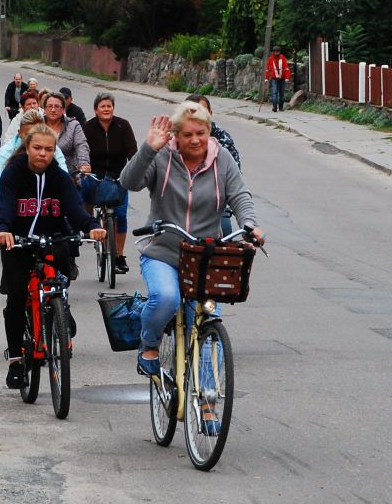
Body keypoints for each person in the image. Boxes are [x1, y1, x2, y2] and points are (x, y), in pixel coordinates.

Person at [121, 102, 263, 389]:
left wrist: (250, 225)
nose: (195, 140)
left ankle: (208, 398)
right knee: (165, 297)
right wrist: (148, 148)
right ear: (176, 135)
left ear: (209, 131)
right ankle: (149, 344)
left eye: (201, 133)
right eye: (187, 134)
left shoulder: (222, 159)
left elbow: (239, 195)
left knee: (208, 322)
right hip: (163, 251)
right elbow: (129, 182)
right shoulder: (162, 155)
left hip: (204, 256)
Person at [0, 127, 106, 388]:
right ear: (27, 148)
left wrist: (91, 226)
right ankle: (16, 361)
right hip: (17, 240)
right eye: (37, 148)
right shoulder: (13, 173)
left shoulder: (59, 176)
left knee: (61, 274)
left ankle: (60, 308)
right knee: (17, 296)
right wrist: (3, 229)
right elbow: (6, 205)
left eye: (48, 149)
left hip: (51, 238)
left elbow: (74, 207)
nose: (43, 154)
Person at [81, 92, 138, 273]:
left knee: (120, 215)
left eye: (109, 106)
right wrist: (84, 165)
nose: (106, 109)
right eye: (102, 106)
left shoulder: (123, 125)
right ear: (95, 110)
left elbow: (132, 151)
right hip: (95, 174)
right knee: (83, 187)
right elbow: (82, 149)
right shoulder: (88, 128)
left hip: (118, 176)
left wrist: (134, 167)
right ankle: (88, 221)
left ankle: (119, 256)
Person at [185, 94, 244, 236]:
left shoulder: (223, 141)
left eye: (202, 113)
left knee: (225, 232)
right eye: (191, 114)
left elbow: (235, 183)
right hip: (181, 204)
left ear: (210, 114)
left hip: (214, 205)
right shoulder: (173, 142)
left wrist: (249, 223)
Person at [0, 107, 68, 206]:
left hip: (47, 198)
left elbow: (64, 177)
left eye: (36, 134)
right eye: (28, 135)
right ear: (19, 133)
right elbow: (1, 182)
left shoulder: (54, 150)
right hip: (17, 199)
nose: (33, 139)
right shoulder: (6, 151)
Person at [41, 90, 91, 177]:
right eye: (50, 106)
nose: (53, 110)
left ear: (63, 109)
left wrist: (84, 163)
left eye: (57, 106)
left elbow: (81, 144)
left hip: (69, 174)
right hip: (42, 172)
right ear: (44, 109)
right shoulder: (37, 124)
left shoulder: (73, 125)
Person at [265, 45, 291, 112]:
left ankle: (281, 107)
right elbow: (268, 69)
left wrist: (287, 78)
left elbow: (286, 68)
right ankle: (274, 107)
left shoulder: (283, 58)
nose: (277, 53)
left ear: (279, 52)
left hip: (282, 78)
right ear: (273, 52)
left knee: (281, 94)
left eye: (278, 51)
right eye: (275, 51)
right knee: (275, 93)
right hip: (274, 78)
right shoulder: (270, 59)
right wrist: (266, 78)